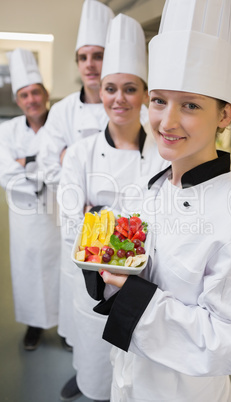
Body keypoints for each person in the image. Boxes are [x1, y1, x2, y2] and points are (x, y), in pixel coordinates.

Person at [86, 0, 231, 401]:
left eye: (190, 105)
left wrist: (133, 300)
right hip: (129, 379)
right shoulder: (153, 185)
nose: (166, 122)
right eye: (158, 100)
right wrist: (105, 265)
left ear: (225, 115)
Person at [57, 13, 169, 402]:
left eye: (130, 88)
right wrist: (127, 226)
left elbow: (166, 219)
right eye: (110, 88)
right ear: (100, 92)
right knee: (92, 350)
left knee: (135, 365)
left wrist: (100, 215)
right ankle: (88, 383)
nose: (119, 98)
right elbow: (71, 219)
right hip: (93, 280)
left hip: (145, 281)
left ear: (143, 93)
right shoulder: (81, 154)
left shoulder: (163, 152)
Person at [38, 0, 114, 351]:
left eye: (97, 55)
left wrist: (73, 158)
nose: (90, 64)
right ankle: (82, 367)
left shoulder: (129, 109)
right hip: (74, 222)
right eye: (83, 57)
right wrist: (74, 171)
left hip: (119, 224)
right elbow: (48, 163)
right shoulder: (63, 111)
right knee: (78, 295)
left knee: (113, 300)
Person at [0, 48, 61, 351]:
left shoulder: (61, 125)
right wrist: (44, 170)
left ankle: (66, 328)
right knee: (28, 271)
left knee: (61, 271)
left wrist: (27, 162)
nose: (31, 100)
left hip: (60, 215)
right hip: (24, 218)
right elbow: (5, 171)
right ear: (18, 100)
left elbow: (68, 164)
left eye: (35, 92)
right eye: (24, 95)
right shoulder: (7, 130)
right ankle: (33, 326)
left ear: (45, 93)